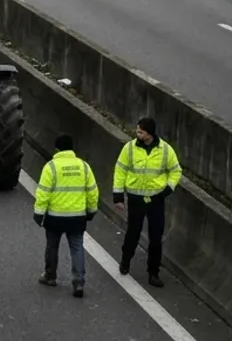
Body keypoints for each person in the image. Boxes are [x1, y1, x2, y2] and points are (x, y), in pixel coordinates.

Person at [114, 116, 182, 287]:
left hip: (156, 200)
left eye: (141, 132)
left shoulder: (165, 150)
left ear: (149, 133)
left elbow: (176, 171)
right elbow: (120, 171)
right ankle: (125, 261)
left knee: (156, 238)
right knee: (133, 233)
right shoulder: (129, 148)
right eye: (137, 131)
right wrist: (118, 196)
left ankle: (153, 272)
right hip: (136, 199)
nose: (138, 134)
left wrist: (168, 189)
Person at [34, 134, 99, 297]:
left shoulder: (51, 167)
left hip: (55, 217)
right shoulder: (83, 166)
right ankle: (78, 282)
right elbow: (92, 192)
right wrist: (91, 211)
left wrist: (39, 214)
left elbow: (43, 193)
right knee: (77, 248)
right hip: (77, 217)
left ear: (57, 149)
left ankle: (50, 276)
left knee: (52, 246)